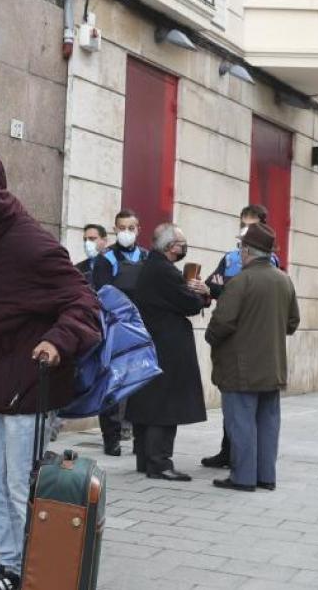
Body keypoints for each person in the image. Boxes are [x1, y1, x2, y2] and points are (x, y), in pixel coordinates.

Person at [0, 145, 100, 590]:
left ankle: (29, 572)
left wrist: (55, 341)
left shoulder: (32, 244)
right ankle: (6, 565)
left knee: (18, 489)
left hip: (28, 385)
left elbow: (85, 305)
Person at [205, 223, 300, 492]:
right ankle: (265, 476)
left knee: (241, 422)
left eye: (240, 247)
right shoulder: (284, 280)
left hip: (241, 367)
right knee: (268, 423)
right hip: (273, 366)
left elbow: (222, 323)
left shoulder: (241, 282)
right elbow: (293, 323)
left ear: (246, 251)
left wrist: (211, 337)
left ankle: (243, 477)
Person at [125, 223, 209, 481]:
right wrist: (202, 294)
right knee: (165, 406)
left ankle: (144, 457)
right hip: (167, 346)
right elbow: (190, 304)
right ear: (172, 247)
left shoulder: (150, 266)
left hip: (152, 343)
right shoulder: (165, 271)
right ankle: (160, 462)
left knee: (147, 402)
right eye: (182, 244)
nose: (184, 248)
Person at [201, 204, 281, 470]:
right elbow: (214, 285)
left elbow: (227, 308)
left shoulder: (269, 265)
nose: (244, 229)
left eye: (250, 224)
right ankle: (249, 465)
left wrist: (212, 336)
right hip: (251, 346)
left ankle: (244, 471)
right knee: (239, 411)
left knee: (245, 412)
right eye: (242, 223)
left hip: (245, 343)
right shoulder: (231, 258)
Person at [91, 210, 147, 456]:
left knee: (140, 385)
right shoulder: (106, 260)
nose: (126, 232)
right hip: (114, 329)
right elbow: (102, 295)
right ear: (115, 229)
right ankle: (111, 439)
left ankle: (139, 440)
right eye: (121, 227)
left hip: (141, 329)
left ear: (139, 229)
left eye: (131, 227)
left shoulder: (146, 257)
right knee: (112, 387)